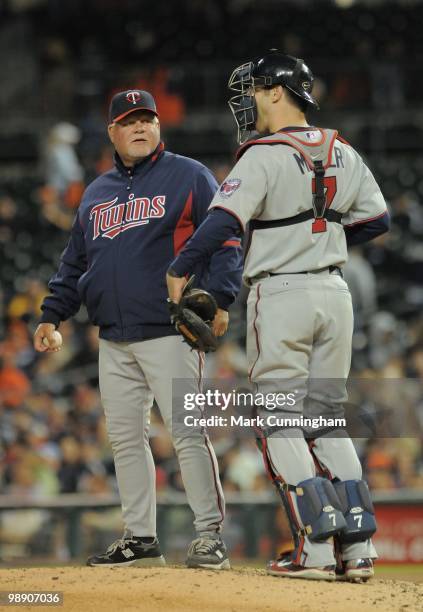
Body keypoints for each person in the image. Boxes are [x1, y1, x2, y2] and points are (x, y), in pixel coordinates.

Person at [167, 51, 390, 582]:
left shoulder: (262, 153)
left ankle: (312, 552)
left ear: (274, 93)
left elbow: (222, 220)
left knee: (279, 418)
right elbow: (377, 221)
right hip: (335, 294)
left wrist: (180, 271)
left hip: (283, 292)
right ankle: (358, 549)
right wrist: (321, 239)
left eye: (253, 93)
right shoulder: (344, 149)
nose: (247, 103)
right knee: (326, 417)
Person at [34, 89, 243, 569]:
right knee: (126, 440)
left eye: (148, 118)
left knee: (189, 433)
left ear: (158, 126)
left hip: (172, 331)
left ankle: (209, 535)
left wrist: (220, 295)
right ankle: (140, 539)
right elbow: (75, 262)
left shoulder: (189, 175)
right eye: (130, 121)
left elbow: (227, 237)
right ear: (113, 132)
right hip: (112, 336)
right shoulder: (96, 192)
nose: (141, 127)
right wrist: (51, 314)